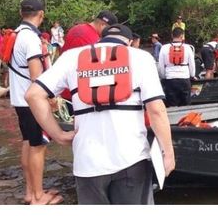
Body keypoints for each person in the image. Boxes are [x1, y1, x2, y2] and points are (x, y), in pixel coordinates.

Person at [25, 24, 175, 205]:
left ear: (100, 40)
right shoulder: (141, 57)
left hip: (87, 163)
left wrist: (58, 135)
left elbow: (33, 95)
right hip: (132, 159)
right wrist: (168, 153)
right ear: (129, 42)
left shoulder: (71, 57)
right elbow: (156, 110)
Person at [9, 0, 62, 205]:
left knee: (28, 144)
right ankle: (39, 197)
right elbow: (36, 76)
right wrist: (49, 99)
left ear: (21, 12)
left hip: (18, 99)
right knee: (38, 147)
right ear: (41, 14)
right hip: (31, 102)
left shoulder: (16, 34)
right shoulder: (30, 38)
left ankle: (30, 192)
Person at [158, 27, 196, 107]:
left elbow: (161, 66)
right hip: (184, 79)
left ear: (172, 36)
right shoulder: (188, 48)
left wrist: (163, 77)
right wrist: (192, 75)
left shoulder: (164, 48)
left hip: (170, 80)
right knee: (185, 105)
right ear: (182, 36)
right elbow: (192, 65)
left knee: (172, 105)